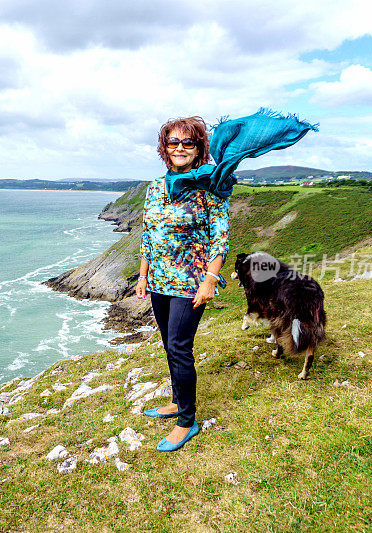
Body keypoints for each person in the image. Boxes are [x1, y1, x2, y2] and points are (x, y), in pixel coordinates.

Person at [136, 116, 229, 452]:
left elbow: (219, 239)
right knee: (168, 343)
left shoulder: (210, 186)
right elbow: (148, 234)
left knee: (178, 346)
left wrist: (210, 280)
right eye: (173, 142)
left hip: (191, 282)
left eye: (187, 142)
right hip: (159, 280)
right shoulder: (155, 188)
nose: (179, 148)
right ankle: (177, 400)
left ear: (199, 148)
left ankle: (187, 421)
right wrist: (143, 275)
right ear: (165, 148)